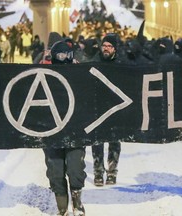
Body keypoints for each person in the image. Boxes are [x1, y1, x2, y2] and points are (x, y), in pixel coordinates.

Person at [42, 40, 86, 216]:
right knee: (55, 169)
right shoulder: (43, 73)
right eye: (59, 56)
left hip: (75, 129)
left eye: (65, 55)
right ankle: (62, 207)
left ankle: (77, 202)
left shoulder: (79, 73)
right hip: (52, 131)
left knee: (75, 167)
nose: (62, 59)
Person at [91, 34, 123, 186]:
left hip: (116, 109)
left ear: (115, 49)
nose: (106, 49)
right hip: (98, 107)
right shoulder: (94, 62)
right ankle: (98, 172)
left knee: (114, 141)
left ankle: (112, 172)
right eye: (104, 46)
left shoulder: (121, 64)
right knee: (97, 142)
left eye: (109, 46)